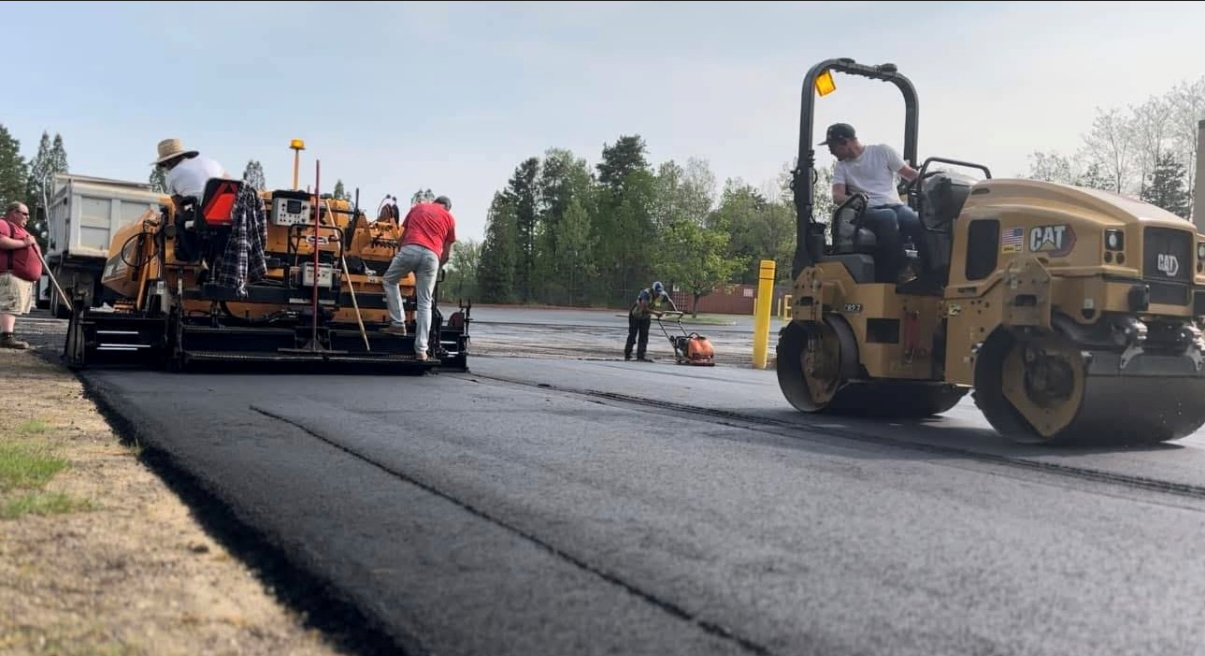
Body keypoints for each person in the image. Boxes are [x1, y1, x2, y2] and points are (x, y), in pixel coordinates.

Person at [821, 122, 921, 283]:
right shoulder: (842, 167)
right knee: (887, 218)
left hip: (895, 205)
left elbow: (909, 174)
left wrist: (930, 182)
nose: (831, 151)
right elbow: (837, 196)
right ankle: (897, 271)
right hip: (867, 210)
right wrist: (855, 199)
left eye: (832, 146)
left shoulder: (882, 152)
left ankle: (929, 271)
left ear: (844, 142)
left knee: (914, 219)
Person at [381, 195, 457, 361]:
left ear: (436, 202)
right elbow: (447, 254)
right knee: (425, 303)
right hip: (432, 256)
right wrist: (436, 266)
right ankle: (421, 350)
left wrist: (401, 256)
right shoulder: (450, 218)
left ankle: (398, 324)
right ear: (447, 207)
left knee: (389, 280)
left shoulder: (418, 207)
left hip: (411, 248)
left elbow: (402, 237)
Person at [0, 201, 43, 350]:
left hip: (19, 276)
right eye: (24, 213)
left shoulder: (19, 229)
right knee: (9, 305)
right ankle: (6, 337)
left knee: (13, 306)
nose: (28, 217)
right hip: (10, 274)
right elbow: (2, 241)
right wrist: (25, 242)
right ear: (13, 212)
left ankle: (7, 334)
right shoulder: (3, 224)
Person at [151, 138, 230, 202]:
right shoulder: (212, 162)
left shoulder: (171, 176)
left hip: (203, 214)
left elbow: (178, 206)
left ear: (168, 162)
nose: (166, 168)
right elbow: (232, 182)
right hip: (229, 208)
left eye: (163, 165)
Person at [625, 280, 678, 361]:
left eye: (659, 293)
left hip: (646, 317)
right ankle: (627, 354)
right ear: (653, 290)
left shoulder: (662, 295)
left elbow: (669, 301)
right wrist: (656, 313)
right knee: (632, 335)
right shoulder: (646, 294)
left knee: (644, 336)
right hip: (635, 315)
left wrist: (675, 311)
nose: (658, 294)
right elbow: (644, 308)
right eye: (656, 292)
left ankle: (641, 355)